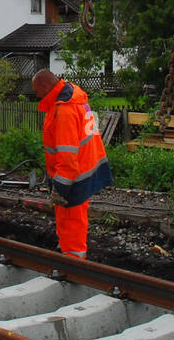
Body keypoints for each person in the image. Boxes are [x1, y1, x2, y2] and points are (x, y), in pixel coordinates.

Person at [31, 69, 113, 259]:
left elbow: (67, 156)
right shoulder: (73, 95)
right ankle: (71, 257)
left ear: (45, 86)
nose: (36, 94)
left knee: (71, 223)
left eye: (36, 90)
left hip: (74, 177)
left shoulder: (64, 110)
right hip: (86, 167)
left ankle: (74, 264)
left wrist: (60, 187)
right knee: (73, 220)